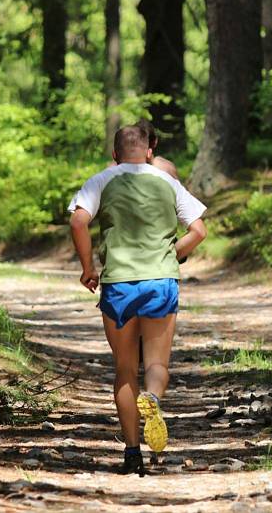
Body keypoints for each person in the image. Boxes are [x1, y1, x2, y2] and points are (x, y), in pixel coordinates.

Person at [68, 125, 207, 475]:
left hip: (119, 285)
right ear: (150, 150)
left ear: (115, 154)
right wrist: (175, 253)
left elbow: (78, 222)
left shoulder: (101, 180)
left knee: (125, 369)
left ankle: (132, 452)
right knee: (157, 364)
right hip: (160, 281)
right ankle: (154, 399)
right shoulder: (167, 182)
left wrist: (88, 268)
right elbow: (199, 230)